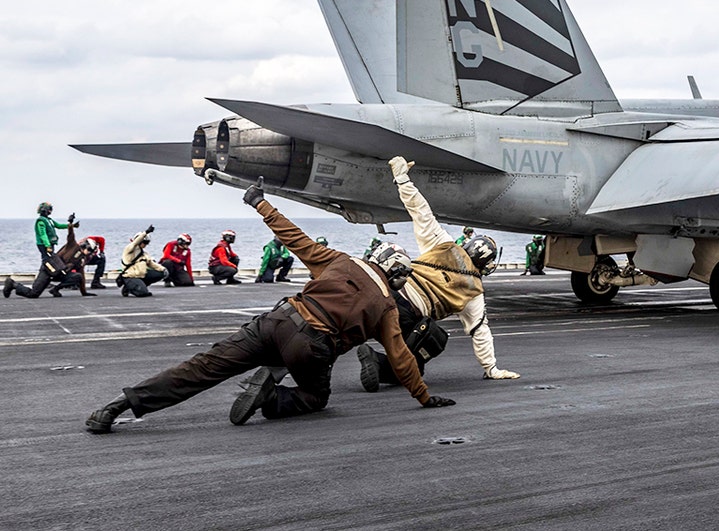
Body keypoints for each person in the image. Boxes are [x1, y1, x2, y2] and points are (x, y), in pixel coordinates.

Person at [84, 178, 455, 434]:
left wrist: (260, 202)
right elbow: (402, 358)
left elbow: (294, 238)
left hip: (276, 320)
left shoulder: (340, 260)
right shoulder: (388, 306)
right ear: (396, 278)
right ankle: (272, 396)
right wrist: (423, 396)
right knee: (315, 397)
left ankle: (115, 407)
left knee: (202, 367)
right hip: (311, 345)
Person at [357, 156, 520, 392]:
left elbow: (420, 210)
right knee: (433, 341)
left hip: (385, 291)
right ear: (486, 264)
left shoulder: (443, 244)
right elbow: (480, 331)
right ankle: (379, 363)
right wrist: (491, 368)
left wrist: (401, 178)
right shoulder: (474, 292)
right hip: (406, 315)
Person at [6, 226, 98, 299]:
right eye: (91, 251)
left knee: (78, 276)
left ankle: (55, 289)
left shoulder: (82, 260)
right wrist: (70, 224)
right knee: (33, 294)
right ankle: (13, 284)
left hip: (59, 274)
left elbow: (81, 275)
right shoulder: (72, 246)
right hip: (48, 269)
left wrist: (84, 292)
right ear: (87, 247)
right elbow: (71, 235)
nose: (91, 253)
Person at [119, 227, 167, 297]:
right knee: (143, 293)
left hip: (141, 275)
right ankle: (128, 288)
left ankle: (140, 286)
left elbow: (151, 264)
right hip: (131, 276)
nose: (145, 245)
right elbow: (135, 243)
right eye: (144, 242)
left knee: (160, 274)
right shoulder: (129, 250)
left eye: (147, 243)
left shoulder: (144, 254)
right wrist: (146, 232)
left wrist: (163, 269)